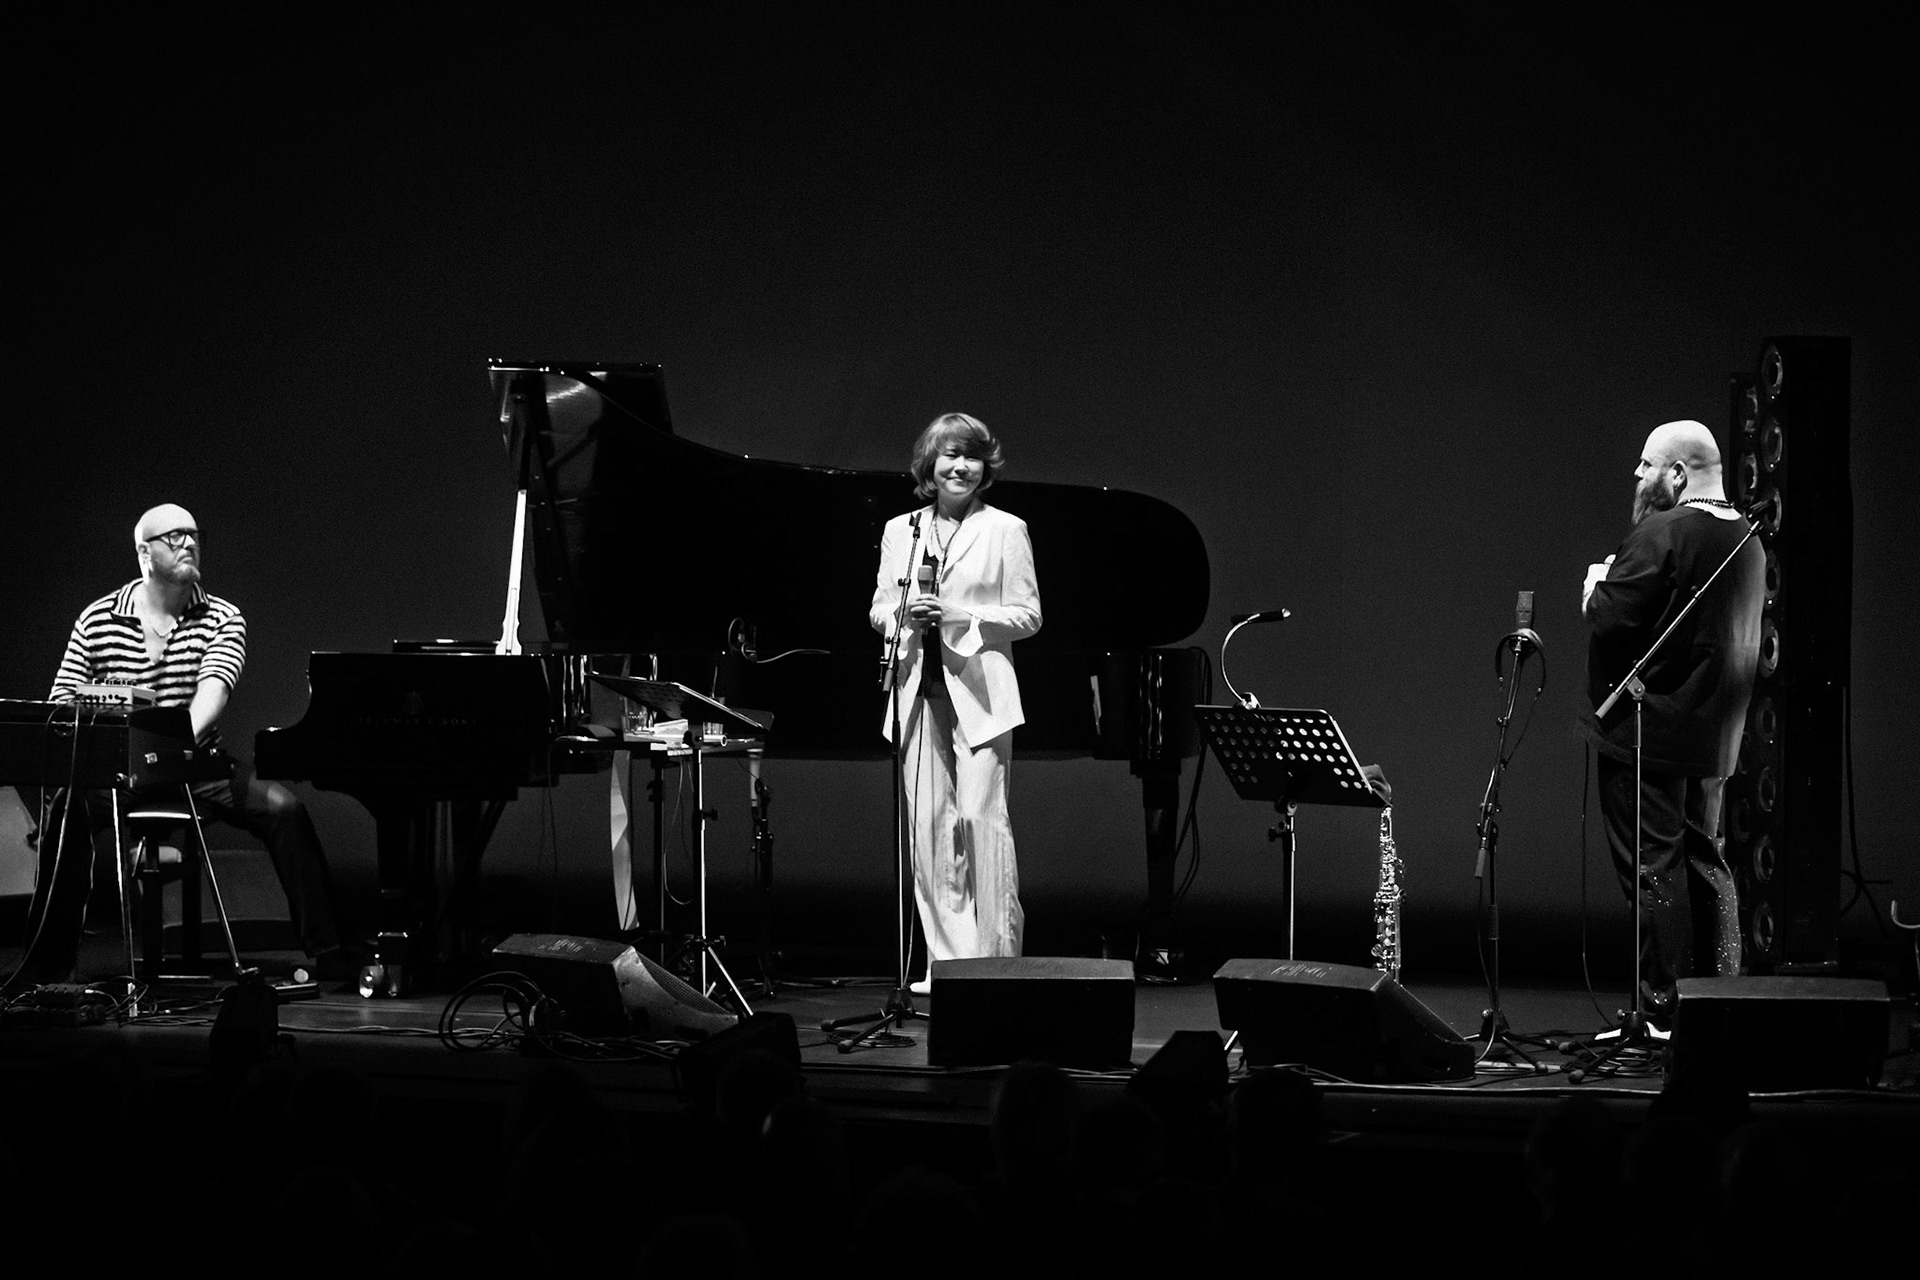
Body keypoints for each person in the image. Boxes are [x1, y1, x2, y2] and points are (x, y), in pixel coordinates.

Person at [17, 503, 346, 984]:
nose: (189, 543)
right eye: (174, 536)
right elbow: (61, 701)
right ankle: (46, 967)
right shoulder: (97, 619)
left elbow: (214, 690)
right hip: (121, 769)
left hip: (195, 764)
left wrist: (169, 747)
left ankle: (330, 950)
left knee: (284, 810)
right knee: (65, 810)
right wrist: (105, 717)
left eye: (195, 535)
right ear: (143, 553)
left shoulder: (222, 616)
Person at [1581, 420, 1764, 1023]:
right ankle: (1717, 1005)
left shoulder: (1662, 532)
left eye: (1646, 464)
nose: (1637, 476)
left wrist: (1595, 585)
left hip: (1648, 739)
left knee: (1653, 874)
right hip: (1713, 744)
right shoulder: (1748, 540)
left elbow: (1612, 620)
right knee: (1706, 864)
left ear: (1678, 473)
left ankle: (1663, 1012)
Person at [870, 414, 1041, 994]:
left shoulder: (1005, 529)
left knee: (978, 820)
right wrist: (902, 616)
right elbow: (878, 605)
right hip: (917, 687)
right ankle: (948, 963)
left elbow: (1028, 615)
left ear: (984, 467)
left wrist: (966, 615)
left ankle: (995, 961)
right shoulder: (904, 530)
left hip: (982, 694)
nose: (959, 466)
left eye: (970, 456)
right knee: (929, 829)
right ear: (930, 466)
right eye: (949, 456)